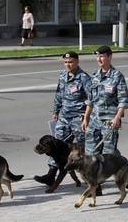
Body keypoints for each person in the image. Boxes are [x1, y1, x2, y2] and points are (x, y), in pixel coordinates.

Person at [34, 51, 91, 186]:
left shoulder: (84, 78)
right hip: (64, 117)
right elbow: (59, 94)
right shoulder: (63, 76)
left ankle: (91, 175)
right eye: (65, 62)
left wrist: (86, 117)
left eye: (70, 62)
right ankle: (51, 175)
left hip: (78, 117)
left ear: (77, 61)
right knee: (56, 146)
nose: (68, 64)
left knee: (84, 148)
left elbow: (91, 99)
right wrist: (56, 110)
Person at [81, 45, 128, 195]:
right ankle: (96, 187)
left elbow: (123, 100)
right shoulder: (94, 75)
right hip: (94, 120)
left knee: (109, 154)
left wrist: (117, 118)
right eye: (97, 57)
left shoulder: (117, 76)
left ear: (109, 57)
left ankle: (126, 173)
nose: (99, 59)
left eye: (102, 56)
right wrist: (86, 118)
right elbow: (90, 100)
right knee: (91, 153)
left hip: (109, 120)